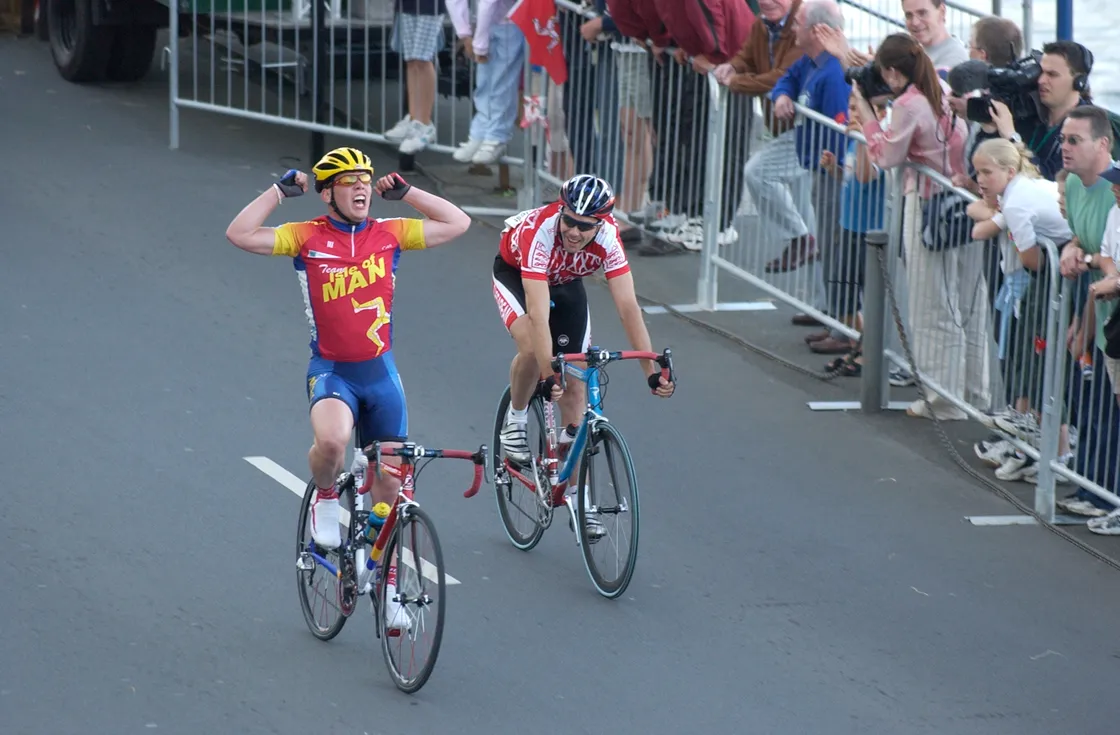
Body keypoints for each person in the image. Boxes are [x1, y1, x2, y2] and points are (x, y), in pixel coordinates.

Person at [225, 147, 471, 628]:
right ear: (327, 192)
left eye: (366, 179)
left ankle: (391, 586)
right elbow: (239, 234)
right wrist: (278, 192)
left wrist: (410, 194)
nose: (362, 187)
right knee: (333, 442)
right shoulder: (306, 237)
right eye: (349, 181)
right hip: (333, 371)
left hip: (381, 375)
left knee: (392, 496)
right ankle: (323, 497)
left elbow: (458, 223)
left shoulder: (390, 233)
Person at [491, 174, 675, 533]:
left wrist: (651, 372)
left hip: (567, 283)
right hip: (518, 276)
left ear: (602, 223)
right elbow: (539, 313)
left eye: (585, 225)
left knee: (575, 391)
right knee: (532, 345)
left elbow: (628, 308)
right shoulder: (541, 232)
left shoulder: (608, 238)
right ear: (560, 211)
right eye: (569, 220)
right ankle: (515, 421)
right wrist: (548, 374)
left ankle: (578, 498)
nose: (574, 232)